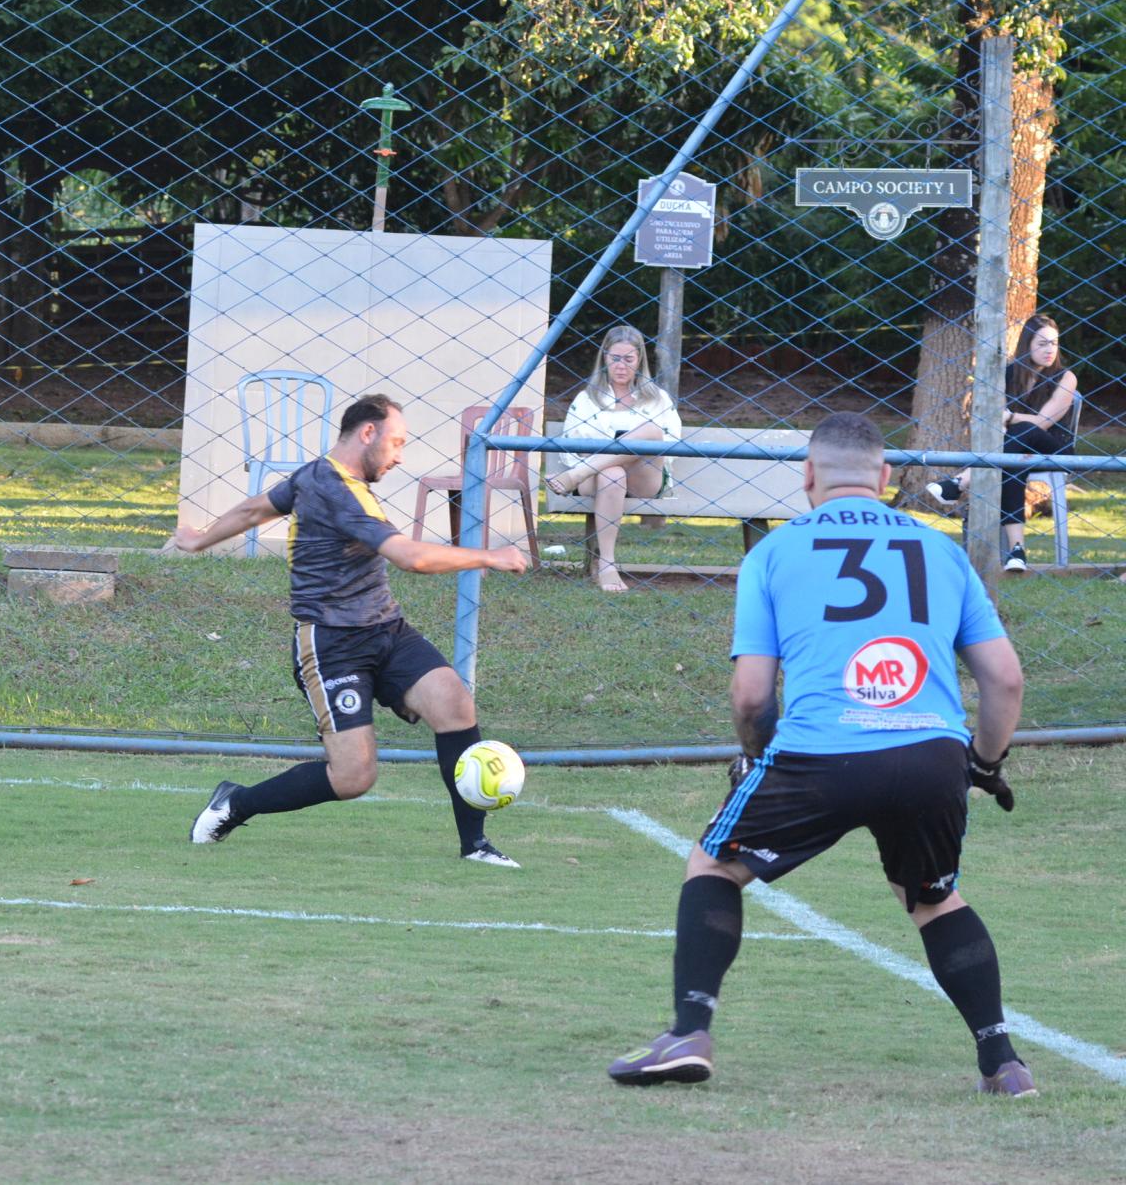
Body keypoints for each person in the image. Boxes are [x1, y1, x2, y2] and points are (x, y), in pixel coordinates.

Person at [608, 412, 1033, 1096]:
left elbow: (751, 695)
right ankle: (1004, 1062)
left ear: (807, 475)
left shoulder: (773, 553)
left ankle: (689, 1030)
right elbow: (1005, 681)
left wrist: (756, 756)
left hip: (820, 754)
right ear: (885, 477)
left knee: (714, 864)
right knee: (932, 898)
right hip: (931, 752)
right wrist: (982, 765)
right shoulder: (942, 550)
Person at [171, 394, 531, 865]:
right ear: (367, 433)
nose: (400, 456)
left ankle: (475, 846)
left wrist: (200, 539)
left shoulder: (316, 476)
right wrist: (490, 556)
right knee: (353, 777)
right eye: (396, 443)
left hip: (385, 628)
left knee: (454, 703)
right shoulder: (337, 490)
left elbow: (254, 511)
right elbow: (410, 557)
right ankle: (235, 803)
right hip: (332, 642)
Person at [926, 313, 1078, 573]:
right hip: (1015, 450)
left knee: (1023, 430)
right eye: (1042, 343)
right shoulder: (1008, 374)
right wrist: (1001, 422)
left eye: (1054, 343)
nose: (1049, 350)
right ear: (1027, 344)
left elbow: (1042, 422)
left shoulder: (1066, 377)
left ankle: (960, 482)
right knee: (1011, 464)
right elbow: (990, 418)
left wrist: (1009, 417)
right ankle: (1017, 551)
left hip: (1055, 449)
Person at [543, 324, 683, 593]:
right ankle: (607, 564)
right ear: (604, 357)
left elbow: (670, 444)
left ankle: (576, 476)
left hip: (643, 478)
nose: (621, 366)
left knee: (651, 431)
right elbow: (572, 446)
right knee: (612, 472)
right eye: (615, 358)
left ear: (639, 360)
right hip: (595, 480)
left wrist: (628, 452)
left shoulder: (657, 398)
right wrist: (614, 458)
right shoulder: (587, 399)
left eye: (628, 359)